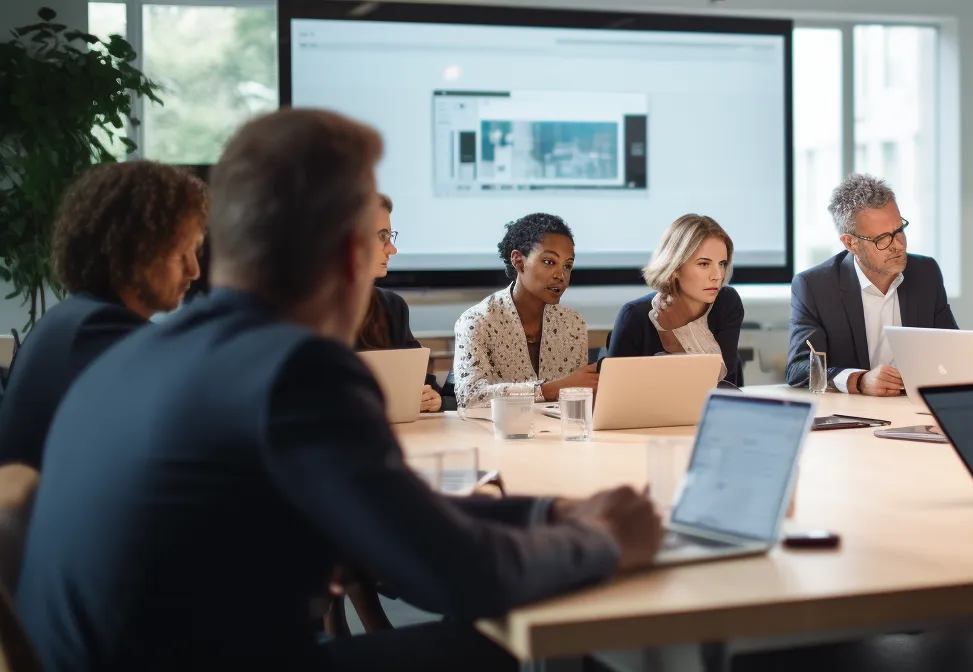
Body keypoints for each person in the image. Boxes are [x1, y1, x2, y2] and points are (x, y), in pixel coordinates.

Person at [15, 108, 663, 669]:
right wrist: (602, 540)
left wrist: (544, 513)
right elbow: (463, 574)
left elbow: (398, 513)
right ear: (354, 257)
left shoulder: (140, 351)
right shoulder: (295, 371)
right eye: (382, 238)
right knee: (498, 651)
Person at [0, 160, 206, 470]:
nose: (194, 270)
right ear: (133, 251)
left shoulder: (73, 318)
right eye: (181, 254)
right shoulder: (98, 333)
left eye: (197, 251)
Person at [786, 174, 957, 395]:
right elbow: (799, 368)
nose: (897, 245)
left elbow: (951, 351)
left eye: (899, 231)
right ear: (850, 243)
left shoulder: (926, 273)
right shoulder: (815, 286)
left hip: (913, 405)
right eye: (882, 239)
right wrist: (859, 380)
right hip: (855, 413)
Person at [453, 213, 601, 408]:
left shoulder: (573, 323)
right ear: (519, 261)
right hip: (496, 435)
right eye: (549, 262)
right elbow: (470, 397)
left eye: (568, 266)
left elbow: (576, 402)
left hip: (557, 435)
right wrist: (551, 389)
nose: (561, 275)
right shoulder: (477, 320)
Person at [610, 214, 745, 387]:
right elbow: (615, 396)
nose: (718, 276)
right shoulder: (634, 316)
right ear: (675, 267)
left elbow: (725, 385)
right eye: (704, 264)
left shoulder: (727, 303)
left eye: (722, 264)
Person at [357, 194, 443, 413]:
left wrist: (431, 398)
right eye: (382, 237)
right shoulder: (303, 312)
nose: (392, 249)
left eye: (390, 236)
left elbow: (421, 382)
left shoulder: (390, 306)